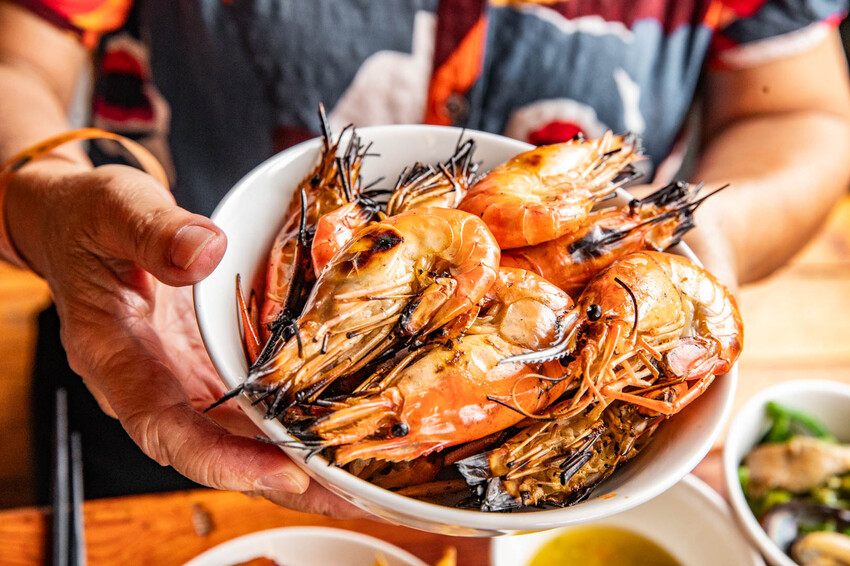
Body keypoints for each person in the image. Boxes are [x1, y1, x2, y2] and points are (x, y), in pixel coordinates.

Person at [1, 0, 849, 517]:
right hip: (157, 342)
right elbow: (18, 57)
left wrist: (711, 247)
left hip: (517, 488)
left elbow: (801, 113)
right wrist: (35, 193)